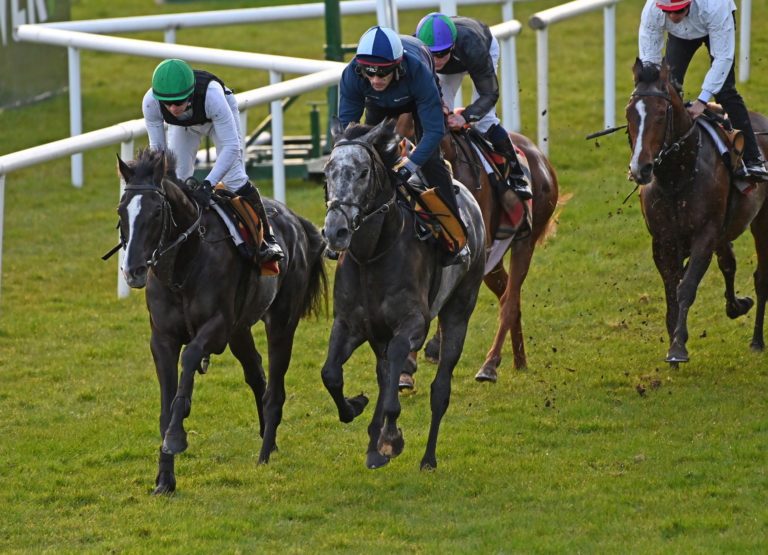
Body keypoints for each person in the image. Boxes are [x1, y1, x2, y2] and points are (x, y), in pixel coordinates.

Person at [338, 25, 470, 265]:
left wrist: (411, 165)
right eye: (369, 73)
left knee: (431, 161)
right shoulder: (352, 76)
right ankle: (339, 228)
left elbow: (434, 132)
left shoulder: (418, 72)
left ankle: (455, 236)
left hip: (417, 97)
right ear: (360, 68)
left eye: (383, 73)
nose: (376, 79)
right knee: (360, 161)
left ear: (397, 67)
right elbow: (348, 134)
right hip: (378, 103)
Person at [142, 58, 284, 262]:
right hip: (184, 127)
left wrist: (208, 184)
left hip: (218, 119)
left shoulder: (213, 97)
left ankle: (266, 240)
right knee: (177, 181)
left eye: (179, 102)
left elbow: (231, 147)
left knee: (235, 179)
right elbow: (159, 152)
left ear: (190, 94)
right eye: (167, 103)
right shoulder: (150, 102)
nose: (173, 109)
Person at [639, 0, 768, 179]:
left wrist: (702, 101)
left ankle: (753, 159)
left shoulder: (715, 7)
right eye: (667, 12)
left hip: (714, 24)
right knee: (667, 89)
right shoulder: (652, 9)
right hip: (680, 35)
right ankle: (663, 154)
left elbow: (723, 59)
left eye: (678, 10)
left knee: (725, 91)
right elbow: (649, 59)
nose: (673, 17)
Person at [415, 12, 532, 203]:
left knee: (485, 120)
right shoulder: (415, 48)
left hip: (480, 49)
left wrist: (465, 117)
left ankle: (516, 175)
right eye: (431, 53)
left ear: (452, 46)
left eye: (441, 54)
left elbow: (489, 94)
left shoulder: (473, 46)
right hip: (454, 56)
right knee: (434, 116)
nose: (436, 60)